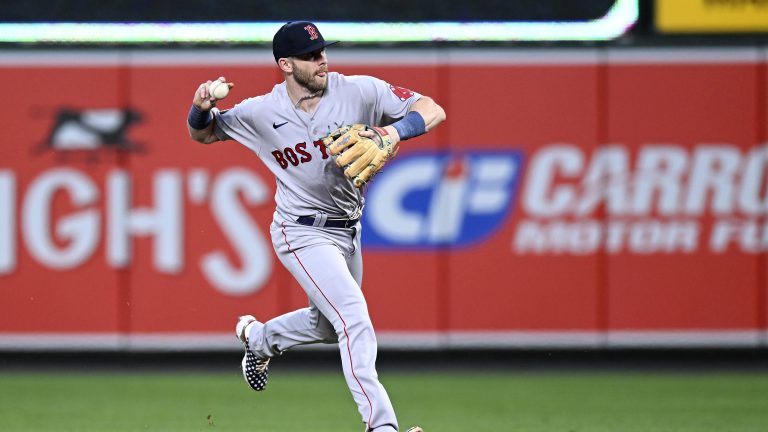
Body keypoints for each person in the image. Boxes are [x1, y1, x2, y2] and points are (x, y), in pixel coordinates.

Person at [187, 21, 446, 432]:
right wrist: (200, 106)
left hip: (348, 229)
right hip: (300, 230)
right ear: (285, 64)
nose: (321, 60)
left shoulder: (360, 90)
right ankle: (382, 426)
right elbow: (203, 133)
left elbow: (432, 109)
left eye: (322, 51)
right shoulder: (261, 111)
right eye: (310, 56)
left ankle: (258, 339)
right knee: (354, 317)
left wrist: (391, 131)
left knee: (329, 324)